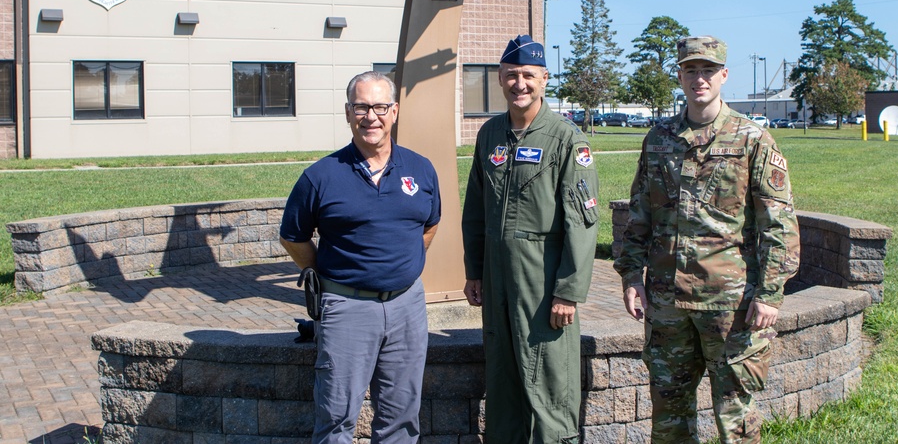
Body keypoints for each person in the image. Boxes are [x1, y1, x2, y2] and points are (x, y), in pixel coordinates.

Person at [614, 36, 800, 444]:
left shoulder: (752, 139)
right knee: (669, 415)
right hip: (666, 302)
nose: (700, 78)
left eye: (708, 70)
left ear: (724, 75)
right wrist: (631, 276)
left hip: (729, 302)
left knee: (736, 417)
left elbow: (779, 224)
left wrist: (769, 294)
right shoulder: (659, 139)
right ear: (679, 75)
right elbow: (639, 214)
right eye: (691, 70)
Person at [280, 71, 440, 444]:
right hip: (346, 308)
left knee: (401, 417)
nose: (372, 116)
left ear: (395, 111)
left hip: (407, 306)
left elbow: (429, 226)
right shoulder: (320, 176)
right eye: (362, 107)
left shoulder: (421, 169)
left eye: (380, 106)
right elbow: (294, 236)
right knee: (336, 418)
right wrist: (324, 273)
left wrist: (401, 265)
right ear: (348, 111)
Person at [462, 35, 600, 444]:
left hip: (542, 283)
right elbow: (475, 208)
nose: (519, 84)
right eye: (511, 75)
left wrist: (568, 292)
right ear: (500, 80)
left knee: (548, 382)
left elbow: (583, 222)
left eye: (527, 75)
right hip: (498, 279)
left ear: (544, 79)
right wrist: (475, 271)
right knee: (503, 378)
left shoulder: (565, 139)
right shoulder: (490, 135)